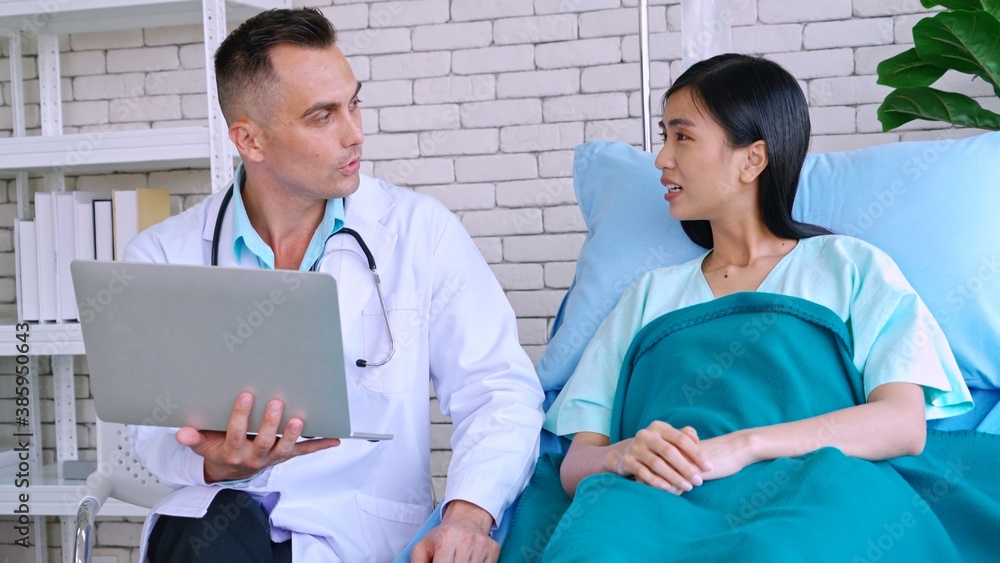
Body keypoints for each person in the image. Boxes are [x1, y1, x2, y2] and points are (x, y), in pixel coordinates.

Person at [124, 8, 544, 562]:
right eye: (323, 116)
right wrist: (212, 462)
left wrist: (468, 514)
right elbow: (145, 434)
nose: (356, 133)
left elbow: (498, 391)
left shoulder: (422, 232)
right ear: (250, 140)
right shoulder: (163, 256)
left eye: (354, 103)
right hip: (216, 529)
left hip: (362, 531)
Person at [549, 52, 972, 498]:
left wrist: (744, 447)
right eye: (664, 137)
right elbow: (577, 462)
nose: (662, 159)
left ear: (752, 159)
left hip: (817, 497)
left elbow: (902, 425)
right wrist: (621, 456)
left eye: (683, 137)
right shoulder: (648, 295)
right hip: (658, 503)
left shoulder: (850, 268)